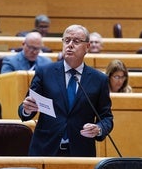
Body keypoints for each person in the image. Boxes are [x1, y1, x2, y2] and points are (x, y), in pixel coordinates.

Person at [18, 24, 113, 157]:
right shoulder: (45, 72)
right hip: (45, 150)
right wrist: (26, 109)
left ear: (87, 47)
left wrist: (99, 129)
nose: (70, 45)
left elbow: (106, 117)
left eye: (76, 41)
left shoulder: (99, 79)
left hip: (80, 152)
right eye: (66, 40)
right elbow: (26, 108)